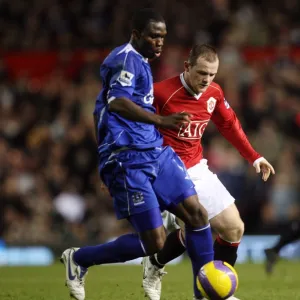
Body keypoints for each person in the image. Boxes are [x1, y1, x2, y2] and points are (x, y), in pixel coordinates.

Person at [60, 10, 215, 300]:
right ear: (136, 35)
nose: (159, 42)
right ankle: (79, 259)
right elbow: (117, 103)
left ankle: (204, 293)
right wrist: (161, 122)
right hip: (128, 159)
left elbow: (102, 110)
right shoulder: (125, 58)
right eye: (153, 36)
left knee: (197, 215)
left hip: (155, 151)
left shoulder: (141, 62)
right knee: (154, 242)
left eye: (163, 37)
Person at [141, 44, 275, 300]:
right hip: (167, 171)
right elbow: (134, 126)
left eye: (212, 74)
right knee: (196, 223)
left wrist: (254, 156)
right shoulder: (160, 93)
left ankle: (167, 266)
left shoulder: (213, 92)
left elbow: (229, 124)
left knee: (234, 229)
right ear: (187, 67)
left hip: (197, 169)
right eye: (202, 72)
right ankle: (207, 295)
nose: (206, 79)